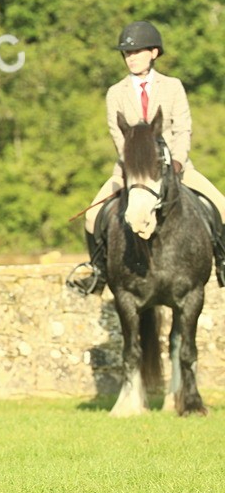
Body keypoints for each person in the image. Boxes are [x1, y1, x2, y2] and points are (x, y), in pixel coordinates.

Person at [68, 21, 225, 295]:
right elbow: (118, 137)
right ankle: (98, 273)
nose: (132, 58)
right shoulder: (115, 93)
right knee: (92, 216)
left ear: (153, 52)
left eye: (137, 52)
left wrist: (175, 162)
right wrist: (134, 169)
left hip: (175, 168)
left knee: (222, 207)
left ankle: (222, 263)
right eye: (127, 54)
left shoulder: (173, 86)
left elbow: (182, 128)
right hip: (129, 171)